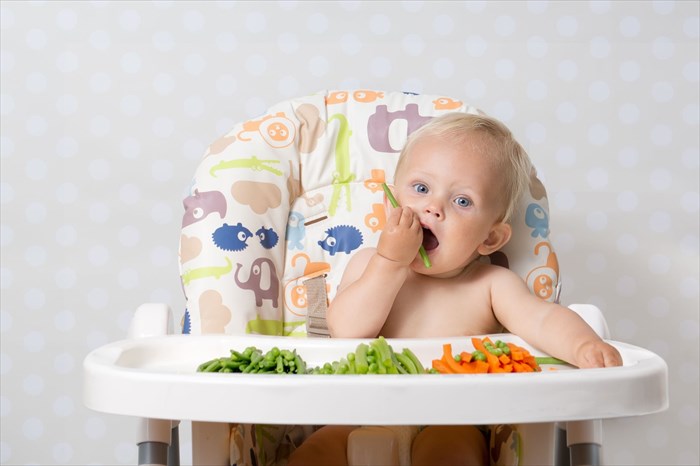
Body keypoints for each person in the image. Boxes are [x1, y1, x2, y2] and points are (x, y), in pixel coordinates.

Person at [287, 112, 622, 466]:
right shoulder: (370, 264)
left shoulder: (491, 286)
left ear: (490, 238)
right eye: (420, 189)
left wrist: (584, 346)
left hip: (451, 420)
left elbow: (543, 320)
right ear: (390, 203)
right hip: (359, 414)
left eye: (462, 201)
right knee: (316, 453)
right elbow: (347, 330)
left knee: (450, 452)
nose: (434, 207)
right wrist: (390, 262)